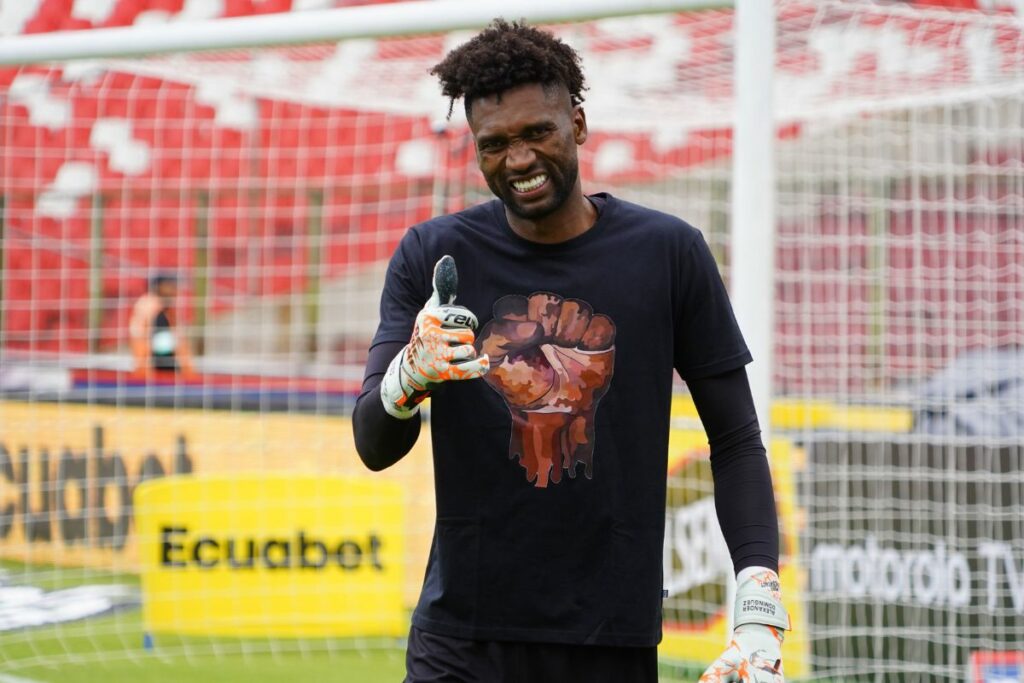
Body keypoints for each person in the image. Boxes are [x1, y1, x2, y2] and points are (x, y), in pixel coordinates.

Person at [352, 19, 788, 683]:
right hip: (461, 641)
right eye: (494, 144)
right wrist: (405, 380)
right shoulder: (434, 256)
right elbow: (373, 444)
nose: (518, 159)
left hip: (610, 640)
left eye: (537, 133)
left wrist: (758, 614)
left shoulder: (669, 254)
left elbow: (735, 441)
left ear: (577, 124)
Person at [129, 272, 195, 378]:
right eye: (170, 285)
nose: (175, 289)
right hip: (150, 368)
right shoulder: (148, 307)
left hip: (165, 366)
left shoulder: (167, 309)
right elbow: (141, 338)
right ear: (158, 286)